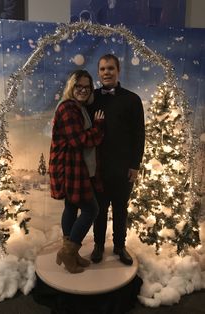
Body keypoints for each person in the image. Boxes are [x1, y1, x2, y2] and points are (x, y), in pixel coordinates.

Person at [89, 54, 145, 265]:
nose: (106, 73)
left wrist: (135, 165)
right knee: (99, 210)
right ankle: (98, 246)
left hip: (123, 168)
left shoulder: (132, 99)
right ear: (98, 72)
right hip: (99, 168)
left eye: (110, 68)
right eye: (102, 69)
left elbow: (139, 135)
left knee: (121, 209)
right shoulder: (92, 99)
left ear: (118, 71)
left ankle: (120, 247)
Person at [48, 70, 104, 274]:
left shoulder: (78, 107)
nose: (83, 90)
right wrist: (98, 127)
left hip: (73, 166)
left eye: (87, 87)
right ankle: (68, 252)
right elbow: (78, 140)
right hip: (70, 167)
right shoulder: (68, 108)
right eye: (79, 86)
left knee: (71, 207)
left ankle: (69, 252)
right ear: (72, 87)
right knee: (92, 210)